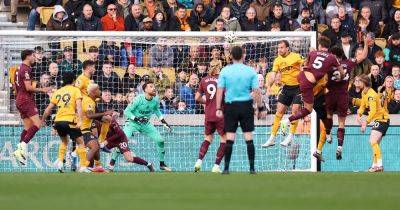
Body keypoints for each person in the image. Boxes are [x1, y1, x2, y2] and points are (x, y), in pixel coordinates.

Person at [314, 40, 368, 162]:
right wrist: (365, 43)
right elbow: (363, 55)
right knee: (341, 123)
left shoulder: (327, 65)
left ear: (333, 55)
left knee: (328, 117)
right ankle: (339, 147)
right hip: (343, 96)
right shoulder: (348, 63)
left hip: (330, 95)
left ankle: (328, 135)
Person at [216, 46, 266, 174]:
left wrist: (218, 108)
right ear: (243, 56)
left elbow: (220, 91)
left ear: (231, 56)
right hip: (246, 106)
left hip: (231, 106)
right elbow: (257, 91)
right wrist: (260, 107)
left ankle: (226, 168)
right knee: (248, 137)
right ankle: (252, 168)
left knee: (230, 137)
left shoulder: (225, 71)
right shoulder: (250, 71)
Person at [281, 36, 343, 129]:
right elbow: (341, 71)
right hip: (308, 83)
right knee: (308, 109)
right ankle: (286, 121)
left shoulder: (313, 52)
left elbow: (305, 64)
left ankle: (302, 99)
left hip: (301, 76)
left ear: (320, 45)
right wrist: (340, 77)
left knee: (310, 99)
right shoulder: (332, 57)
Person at [115, 81, 173, 171]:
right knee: (123, 142)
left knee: (160, 140)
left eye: (154, 86)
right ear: (145, 90)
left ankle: (162, 164)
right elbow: (126, 112)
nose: (154, 88)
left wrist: (164, 123)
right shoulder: (138, 99)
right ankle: (111, 164)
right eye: (151, 86)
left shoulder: (155, 100)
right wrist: (137, 119)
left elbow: (157, 111)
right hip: (132, 123)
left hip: (145, 124)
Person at [41, 72, 91, 173]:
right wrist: (80, 120)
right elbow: (79, 107)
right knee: (81, 142)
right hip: (69, 120)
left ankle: (60, 162)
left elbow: (48, 109)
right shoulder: (76, 90)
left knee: (64, 141)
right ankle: (83, 166)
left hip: (58, 121)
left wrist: (43, 120)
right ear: (73, 80)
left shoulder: (58, 91)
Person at [12, 50, 52, 166]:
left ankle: (20, 152)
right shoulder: (26, 69)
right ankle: (23, 145)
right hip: (26, 99)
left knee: (27, 126)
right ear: (28, 57)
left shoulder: (17, 69)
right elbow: (29, 87)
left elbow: (15, 86)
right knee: (38, 124)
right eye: (33, 55)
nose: (35, 58)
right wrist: (43, 89)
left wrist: (20, 97)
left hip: (19, 98)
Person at [262, 40, 303, 148]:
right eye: (278, 48)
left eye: (281, 47)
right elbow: (273, 74)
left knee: (295, 111)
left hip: (298, 87)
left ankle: (290, 137)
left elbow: (304, 67)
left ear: (287, 48)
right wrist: (268, 85)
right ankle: (272, 138)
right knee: (278, 112)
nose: (279, 50)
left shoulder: (296, 57)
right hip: (286, 88)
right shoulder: (277, 60)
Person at [194, 60, 226, 173]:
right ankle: (216, 166)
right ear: (219, 67)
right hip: (220, 113)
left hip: (208, 114)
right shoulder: (222, 80)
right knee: (224, 139)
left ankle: (199, 161)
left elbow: (197, 97)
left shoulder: (203, 80)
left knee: (207, 138)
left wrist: (206, 102)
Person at [356, 74, 390, 172]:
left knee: (372, 141)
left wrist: (365, 123)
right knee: (375, 144)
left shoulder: (372, 95)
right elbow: (362, 106)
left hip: (382, 119)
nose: (357, 84)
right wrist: (359, 114)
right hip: (379, 120)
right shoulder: (364, 92)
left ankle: (379, 165)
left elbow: (373, 111)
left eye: (359, 82)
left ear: (364, 83)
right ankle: (375, 165)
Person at [76, 83, 111, 172]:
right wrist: (104, 113)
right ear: (93, 92)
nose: (100, 91)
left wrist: (104, 117)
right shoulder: (88, 101)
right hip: (82, 129)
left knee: (96, 149)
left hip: (83, 128)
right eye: (98, 90)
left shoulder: (91, 101)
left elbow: (96, 115)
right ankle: (83, 166)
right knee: (95, 146)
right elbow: (89, 115)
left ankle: (94, 167)